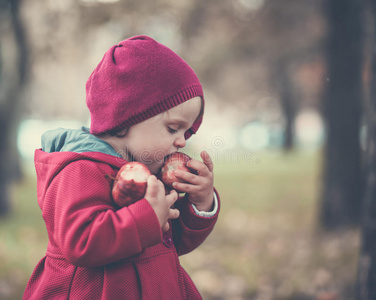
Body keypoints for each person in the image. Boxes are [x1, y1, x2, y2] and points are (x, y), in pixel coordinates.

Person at [23, 35, 220, 300]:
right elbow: (81, 241)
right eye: (174, 128)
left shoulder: (148, 172)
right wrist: (148, 217)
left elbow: (172, 242)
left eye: (188, 131)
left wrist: (201, 202)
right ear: (125, 119)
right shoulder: (79, 169)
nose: (182, 141)